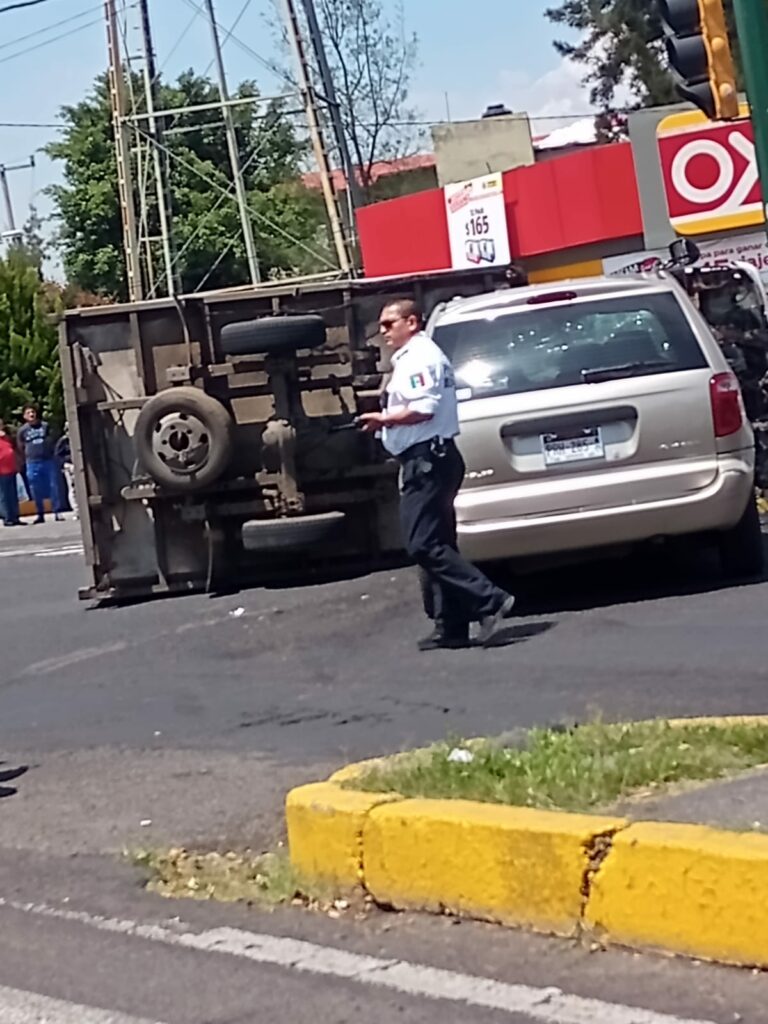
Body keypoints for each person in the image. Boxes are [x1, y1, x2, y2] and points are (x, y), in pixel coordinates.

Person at [360, 299, 516, 650]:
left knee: (423, 544)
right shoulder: (414, 358)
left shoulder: (420, 358)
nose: (383, 331)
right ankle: (452, 626)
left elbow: (423, 409)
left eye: (389, 323)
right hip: (430, 458)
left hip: (428, 460)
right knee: (439, 542)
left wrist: (383, 420)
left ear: (412, 322)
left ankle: (490, 599)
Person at [16, 405, 65, 524]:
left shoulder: (45, 426)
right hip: (32, 462)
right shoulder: (22, 430)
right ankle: (40, 514)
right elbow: (20, 446)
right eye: (28, 413)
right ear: (24, 416)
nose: (31, 414)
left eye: (33, 412)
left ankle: (57, 511)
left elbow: (52, 440)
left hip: (47, 460)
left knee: (53, 486)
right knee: (35, 489)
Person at [0, 418, 22, 527]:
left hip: (11, 469)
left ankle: (15, 516)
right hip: (1, 471)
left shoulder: (7, 437)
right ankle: (7, 518)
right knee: (4, 496)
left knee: (13, 495)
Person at [55, 427, 78, 519]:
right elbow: (58, 455)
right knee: (73, 489)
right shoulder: (63, 441)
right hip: (69, 465)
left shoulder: (78, 439)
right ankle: (76, 511)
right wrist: (65, 464)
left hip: (78, 464)